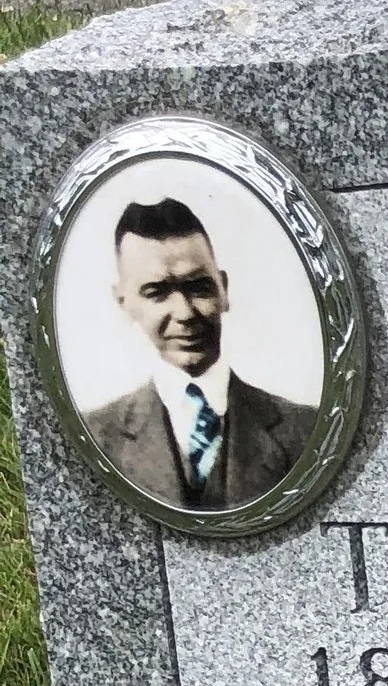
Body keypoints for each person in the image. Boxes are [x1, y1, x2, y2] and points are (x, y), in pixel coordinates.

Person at [78, 196, 316, 512]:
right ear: (124, 303)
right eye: (157, 292)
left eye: (198, 287)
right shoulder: (94, 437)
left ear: (224, 290)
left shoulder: (306, 429)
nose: (185, 313)